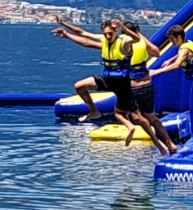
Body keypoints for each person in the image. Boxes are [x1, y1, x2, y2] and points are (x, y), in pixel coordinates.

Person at [51, 16, 167, 154]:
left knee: (136, 117)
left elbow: (136, 38)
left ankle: (156, 141)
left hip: (122, 84)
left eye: (110, 33)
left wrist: (123, 28)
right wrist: (64, 28)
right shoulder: (104, 40)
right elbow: (83, 35)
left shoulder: (124, 42)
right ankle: (94, 111)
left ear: (116, 32)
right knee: (79, 86)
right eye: (105, 33)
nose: (107, 36)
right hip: (108, 80)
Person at [116, 20, 178, 154]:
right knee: (152, 117)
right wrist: (141, 36)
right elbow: (156, 52)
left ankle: (157, 142)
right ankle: (170, 143)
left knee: (133, 116)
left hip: (133, 88)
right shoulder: (141, 43)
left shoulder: (123, 43)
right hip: (147, 85)